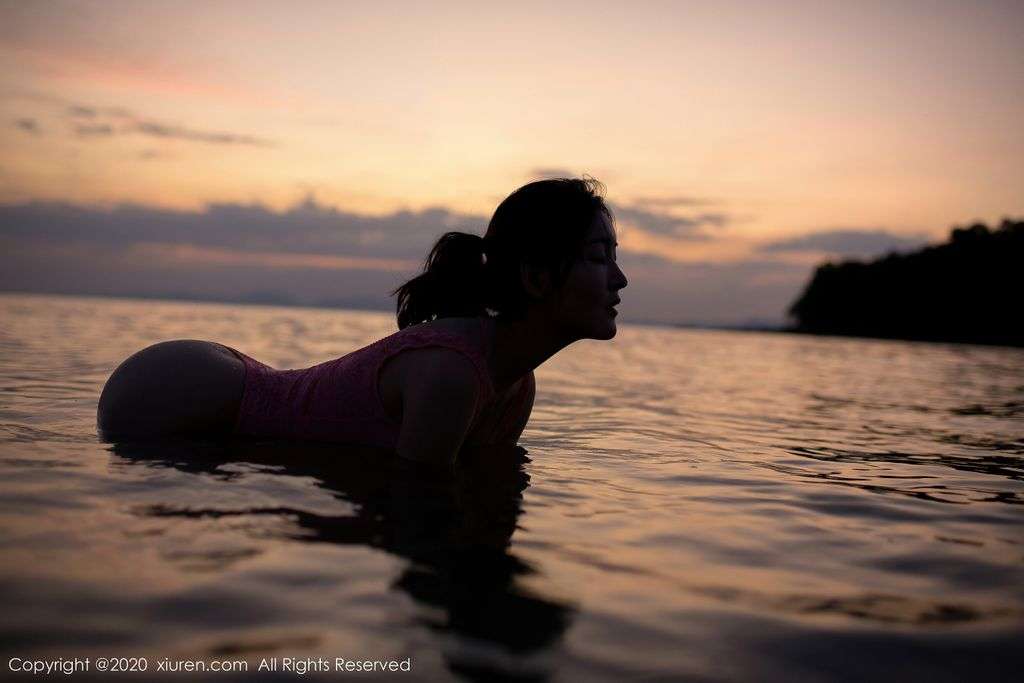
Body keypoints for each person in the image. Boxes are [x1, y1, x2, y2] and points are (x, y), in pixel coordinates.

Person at [97, 177, 628, 465]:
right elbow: (418, 518)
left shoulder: (516, 386)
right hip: (187, 392)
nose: (620, 280)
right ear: (535, 277)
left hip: (210, 395)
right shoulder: (452, 373)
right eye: (599, 257)